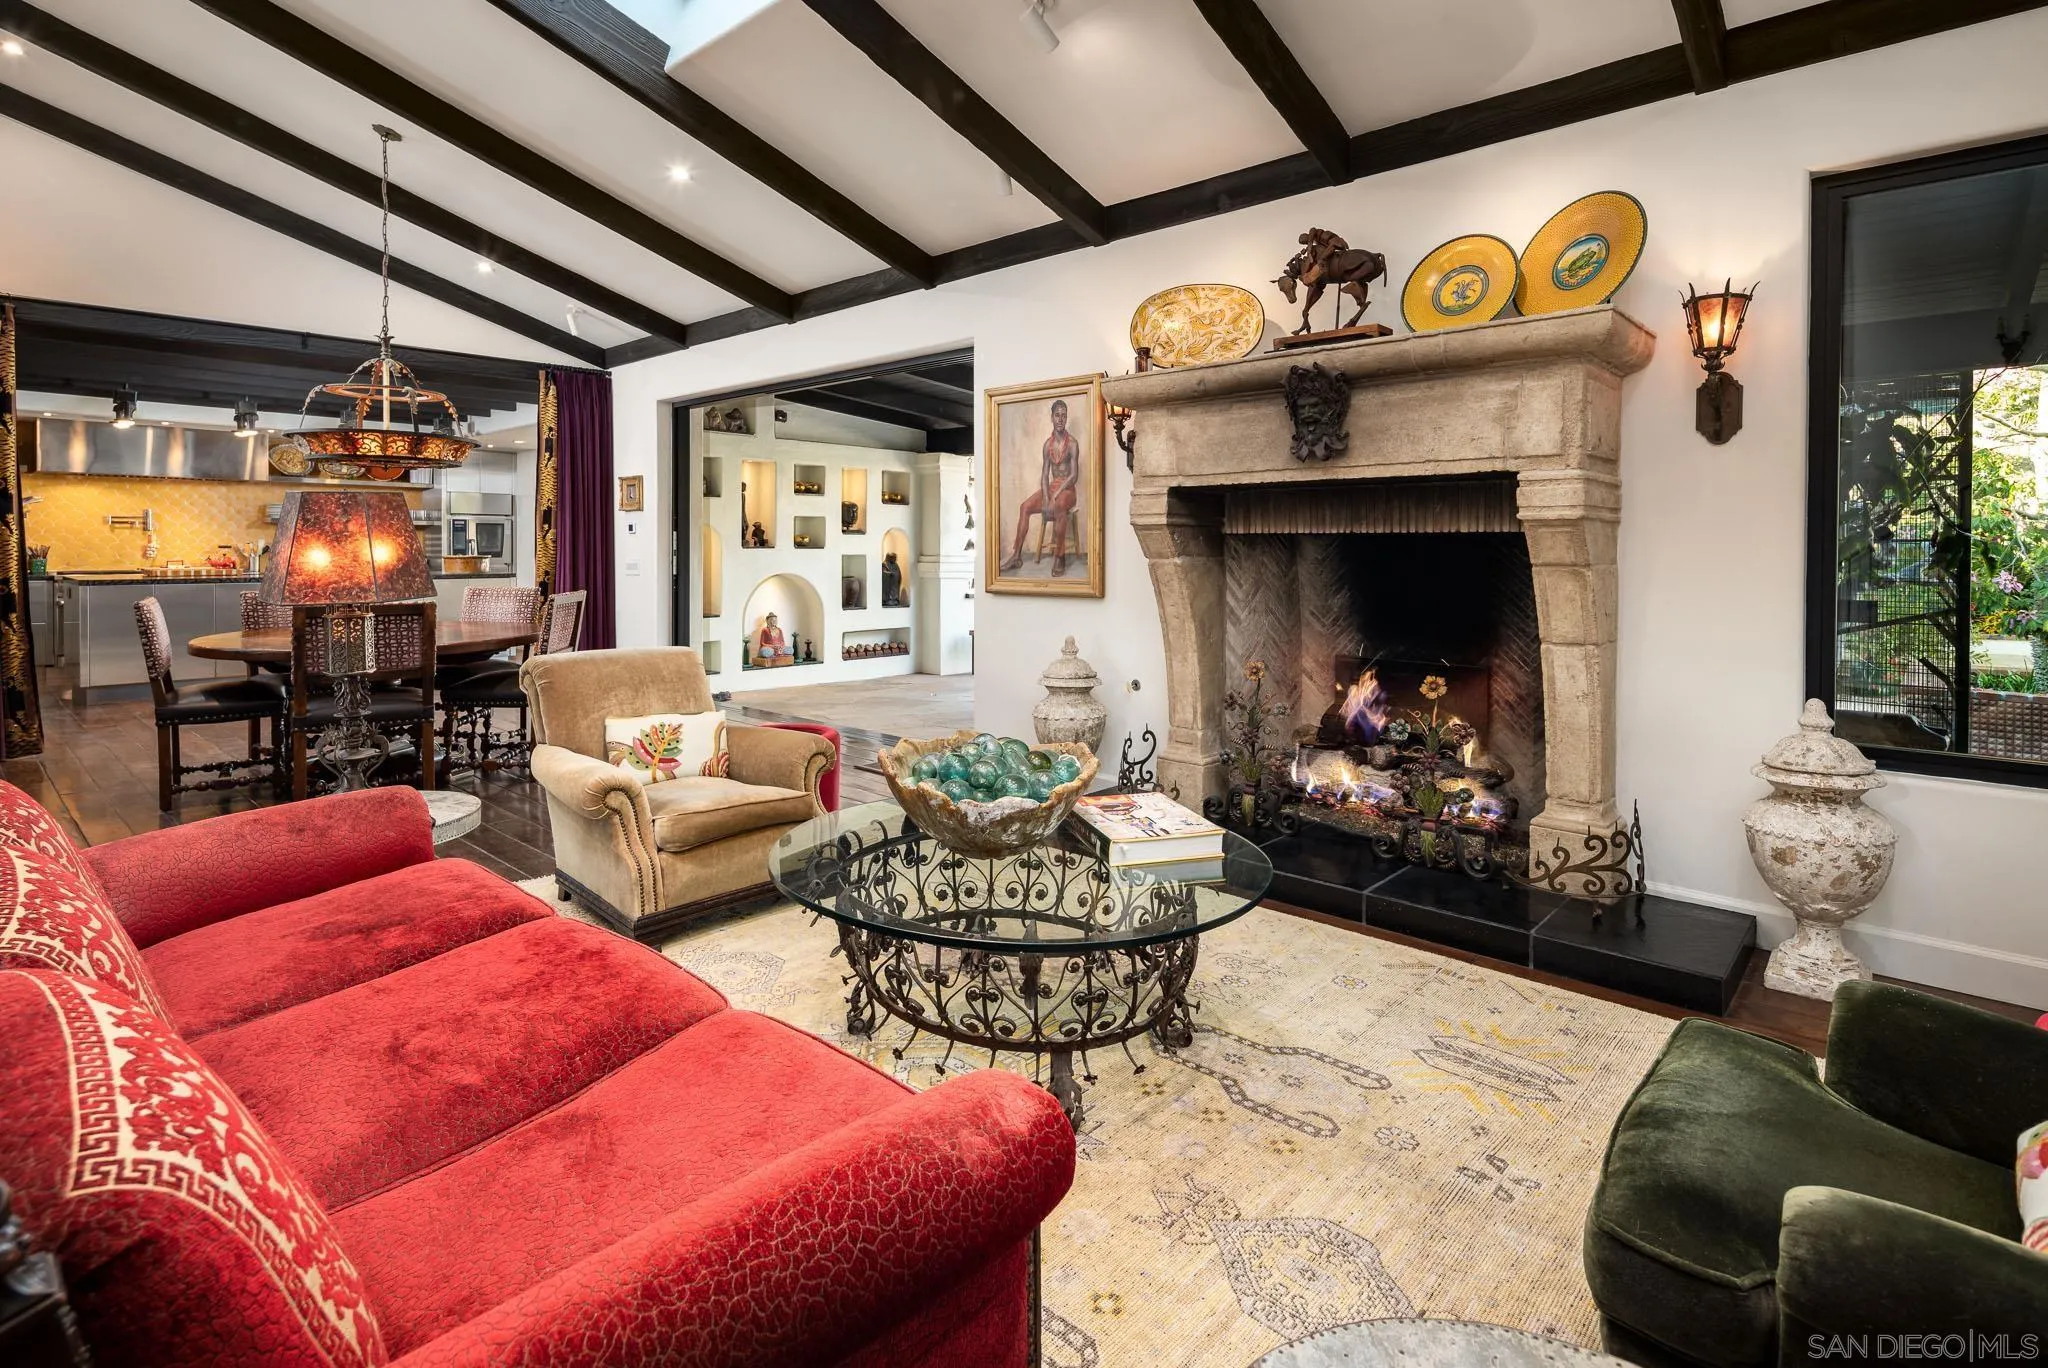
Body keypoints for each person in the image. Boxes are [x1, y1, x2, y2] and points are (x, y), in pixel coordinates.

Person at [1000, 397, 1082, 577]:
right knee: (1025, 507)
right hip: (1052, 488)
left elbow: (1074, 476)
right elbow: (1045, 474)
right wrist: (1046, 496)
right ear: (1051, 418)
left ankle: (1059, 557)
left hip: (1068, 490)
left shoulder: (1073, 444)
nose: (1060, 419)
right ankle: (1016, 556)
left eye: (1064, 416)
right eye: (1057, 415)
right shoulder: (1047, 445)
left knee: (1060, 505)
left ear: (1066, 418)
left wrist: (1057, 494)